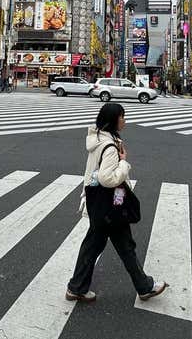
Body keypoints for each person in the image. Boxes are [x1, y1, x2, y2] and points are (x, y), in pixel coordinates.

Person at [67, 103, 168, 303]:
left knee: (97, 245)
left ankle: (76, 288)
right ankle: (144, 287)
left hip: (100, 204)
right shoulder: (110, 146)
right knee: (123, 246)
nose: (124, 120)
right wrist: (123, 162)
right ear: (113, 120)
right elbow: (107, 178)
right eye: (122, 116)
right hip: (111, 205)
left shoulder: (98, 139)